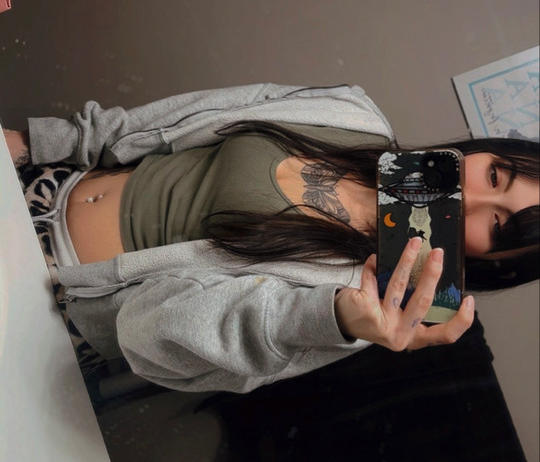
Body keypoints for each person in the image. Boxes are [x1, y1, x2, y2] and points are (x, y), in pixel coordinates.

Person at [4, 82, 539, 394]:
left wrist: (328, 317)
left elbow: (150, 339)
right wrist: (32, 144)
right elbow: (177, 119)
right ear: (484, 151)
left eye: (498, 226)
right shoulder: (352, 115)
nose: (473, 201)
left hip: (47, 306)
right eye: (495, 176)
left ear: (491, 259)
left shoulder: (355, 305)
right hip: (39, 184)